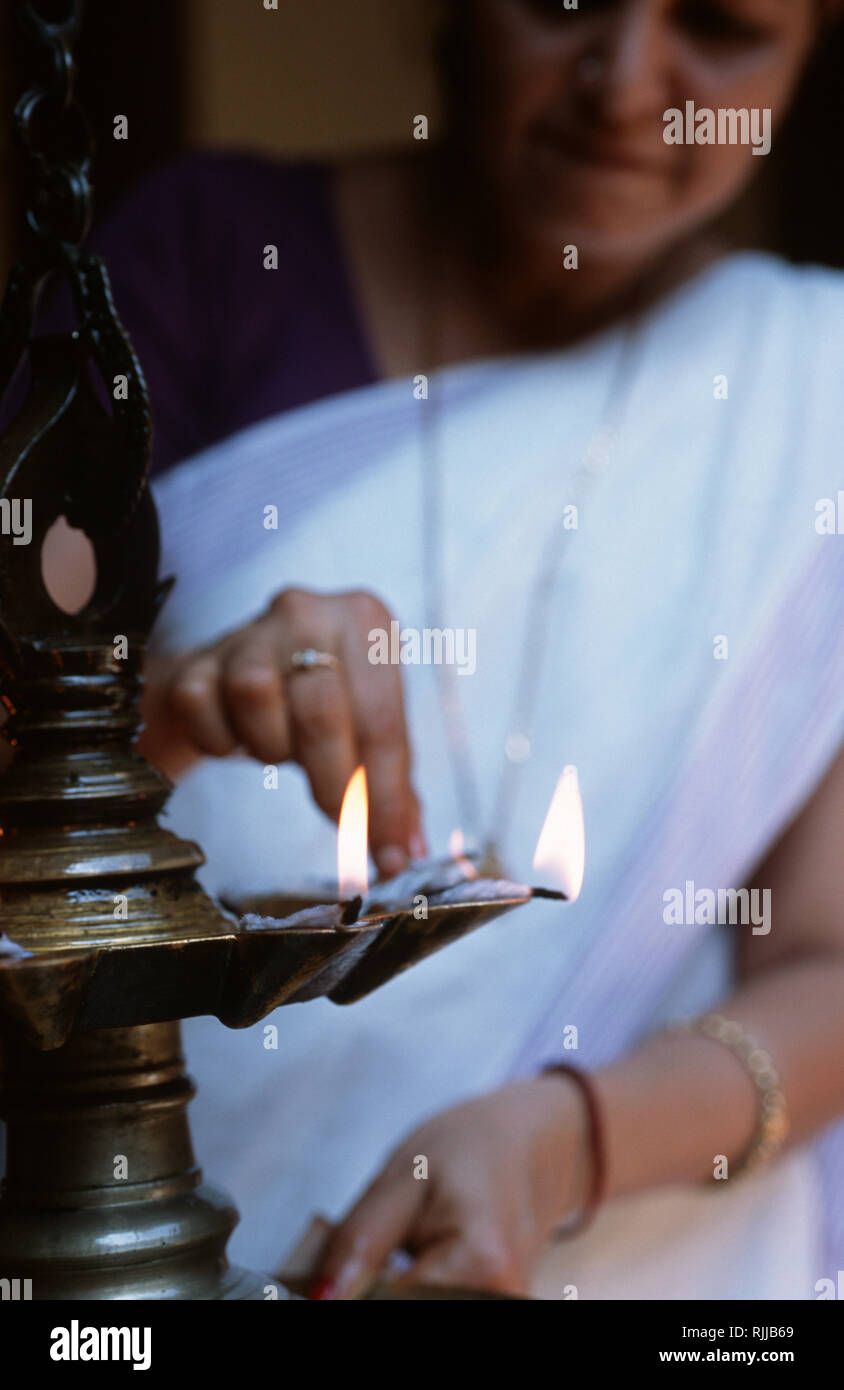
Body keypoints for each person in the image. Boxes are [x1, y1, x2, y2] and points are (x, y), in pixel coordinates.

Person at [30, 0, 844, 1298]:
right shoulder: (204, 265)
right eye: (565, 2)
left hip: (644, 1253)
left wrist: (563, 1142)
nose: (628, 84)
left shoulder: (812, 397)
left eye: (726, 25)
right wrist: (166, 716)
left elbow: (828, 962)